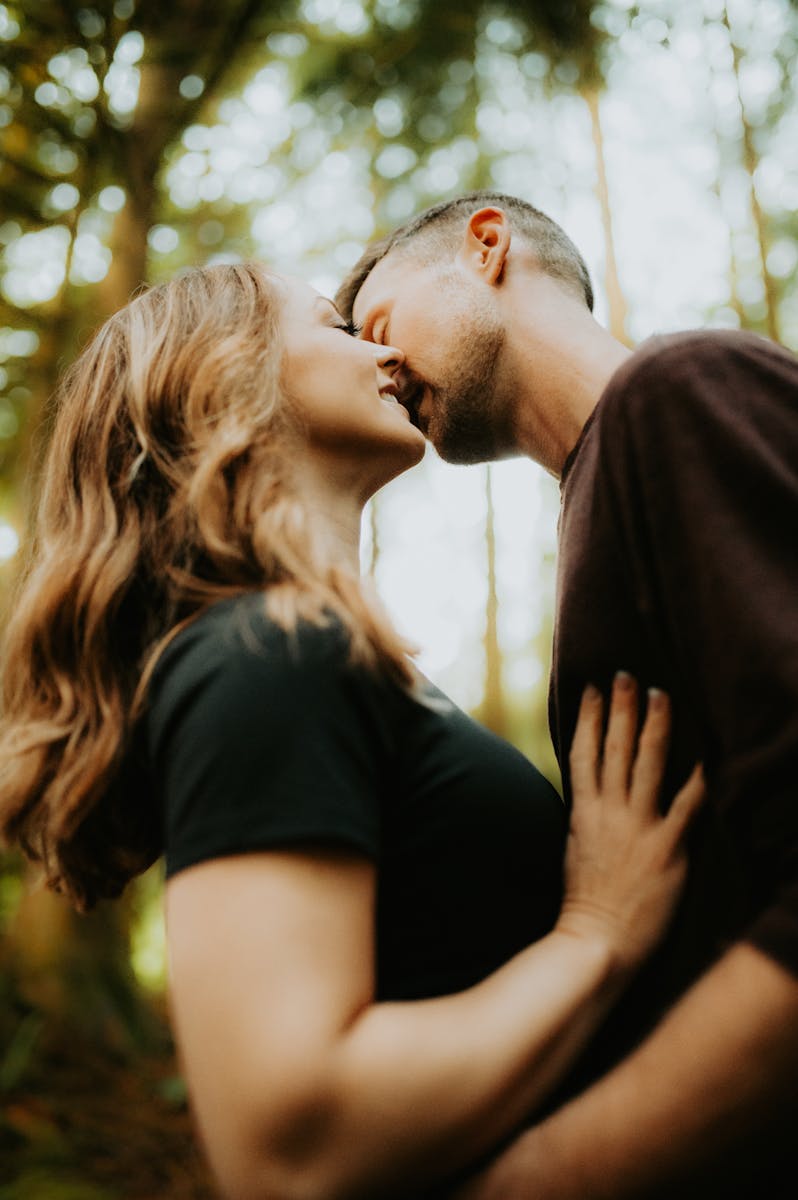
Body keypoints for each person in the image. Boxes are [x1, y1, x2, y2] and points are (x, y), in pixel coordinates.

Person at [0, 262, 705, 1200]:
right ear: (225, 372)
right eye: (337, 325)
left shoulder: (312, 655)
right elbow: (288, 1148)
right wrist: (596, 934)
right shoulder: (267, 652)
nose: (384, 352)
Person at [336, 190, 798, 1197]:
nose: (377, 367)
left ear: (487, 246)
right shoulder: (605, 492)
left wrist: (540, 1176)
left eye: (381, 326)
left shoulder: (679, 396)